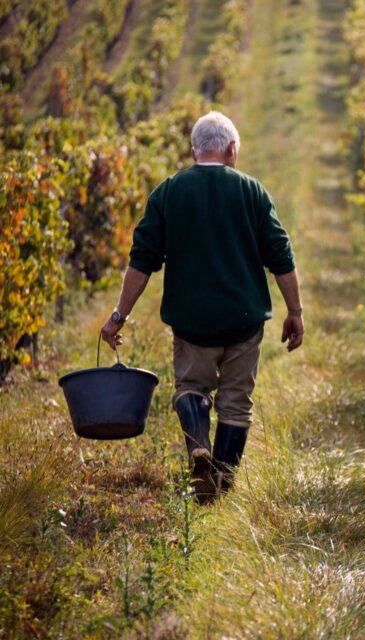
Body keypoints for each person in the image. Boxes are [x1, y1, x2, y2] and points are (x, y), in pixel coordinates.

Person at [100, 111, 304, 504]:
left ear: (195, 151)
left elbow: (142, 260)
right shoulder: (252, 191)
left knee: (191, 387)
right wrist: (294, 311)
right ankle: (219, 491)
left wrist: (118, 316)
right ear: (231, 149)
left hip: (191, 322)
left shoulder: (169, 192)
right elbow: (281, 256)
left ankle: (198, 445)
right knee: (236, 403)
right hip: (243, 322)